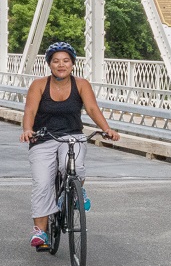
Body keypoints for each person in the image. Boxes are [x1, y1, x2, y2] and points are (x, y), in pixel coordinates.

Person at [20, 41, 120, 251]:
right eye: (56, 61)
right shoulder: (39, 85)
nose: (61, 65)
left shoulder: (81, 84)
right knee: (42, 182)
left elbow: (92, 109)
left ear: (73, 64)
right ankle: (41, 232)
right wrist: (28, 129)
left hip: (72, 136)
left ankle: (76, 191)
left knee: (73, 166)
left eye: (66, 61)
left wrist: (106, 129)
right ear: (49, 64)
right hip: (43, 138)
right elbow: (29, 111)